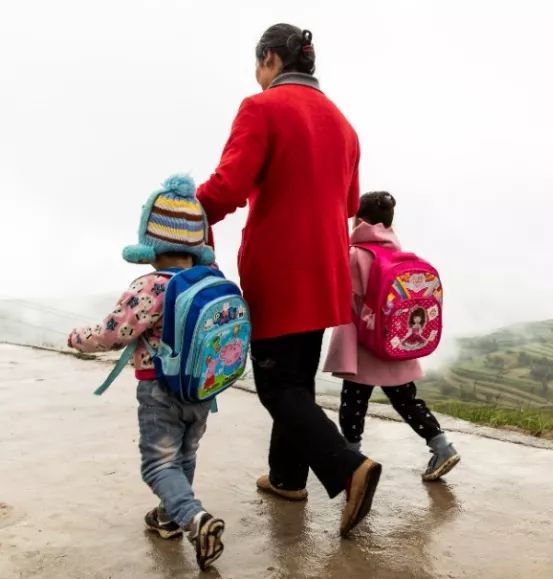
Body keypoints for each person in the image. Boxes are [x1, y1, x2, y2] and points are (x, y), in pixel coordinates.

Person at [196, 24, 380, 537]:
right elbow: (347, 205)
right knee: (297, 381)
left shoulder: (262, 109)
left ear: (269, 59)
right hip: (325, 271)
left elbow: (228, 186)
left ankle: (348, 468)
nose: (256, 76)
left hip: (280, 269)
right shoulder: (343, 125)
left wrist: (183, 212)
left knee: (276, 387)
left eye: (258, 65)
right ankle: (286, 478)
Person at [67, 175, 225, 570]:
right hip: (203, 389)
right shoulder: (213, 280)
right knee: (184, 454)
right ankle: (168, 517)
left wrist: (77, 338)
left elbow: (113, 333)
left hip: (159, 390)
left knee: (157, 464)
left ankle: (194, 518)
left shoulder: (151, 286)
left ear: (151, 242)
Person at [325, 191, 461, 481]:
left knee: (353, 404)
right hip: (396, 342)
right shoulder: (396, 255)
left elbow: (340, 297)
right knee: (407, 401)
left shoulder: (355, 255)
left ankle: (353, 461)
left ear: (359, 220)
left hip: (364, 347)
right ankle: (442, 446)